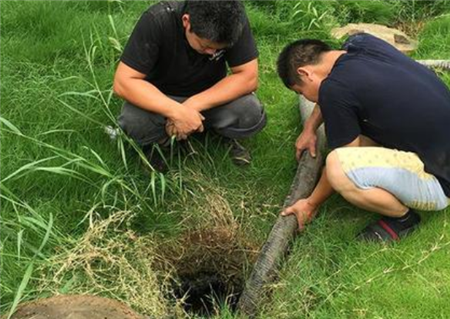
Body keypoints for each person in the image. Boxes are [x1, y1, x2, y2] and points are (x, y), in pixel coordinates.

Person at [277, 33, 450, 242]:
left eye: (300, 91)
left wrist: (311, 203)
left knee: (337, 167)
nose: (307, 98)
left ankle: (402, 219)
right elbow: (331, 91)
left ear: (305, 73)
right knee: (357, 129)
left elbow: (345, 157)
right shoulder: (361, 43)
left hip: (440, 182)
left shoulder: (335, 89)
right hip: (441, 146)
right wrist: (309, 128)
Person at [113, 0, 266, 172]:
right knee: (134, 120)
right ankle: (160, 144)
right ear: (186, 21)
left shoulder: (232, 20)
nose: (212, 53)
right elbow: (123, 82)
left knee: (249, 110)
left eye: (219, 49)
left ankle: (218, 134)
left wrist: (192, 105)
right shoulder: (157, 19)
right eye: (205, 46)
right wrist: (175, 111)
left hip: (209, 98)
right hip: (161, 98)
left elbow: (248, 77)